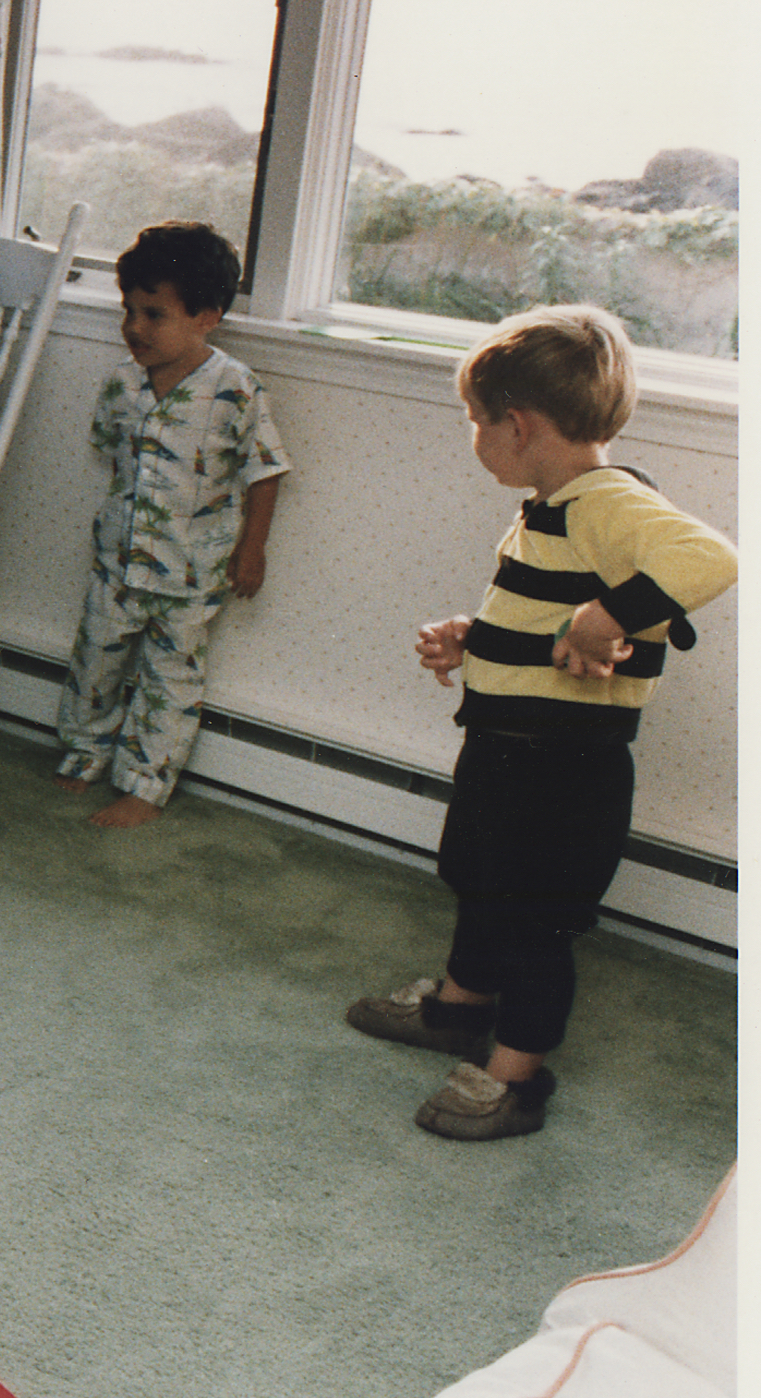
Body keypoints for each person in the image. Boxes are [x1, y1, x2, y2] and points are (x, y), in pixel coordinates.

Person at [346, 307, 734, 1141]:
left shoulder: (606, 501)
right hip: (506, 749)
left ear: (516, 425)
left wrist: (610, 617)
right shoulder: (552, 501)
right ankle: (459, 1005)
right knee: (479, 882)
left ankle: (515, 1077)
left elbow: (714, 558)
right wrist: (474, 636)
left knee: (533, 917)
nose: (474, 436)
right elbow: (543, 615)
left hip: (565, 769)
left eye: (476, 421)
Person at [54, 222, 289, 827]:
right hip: (118, 559)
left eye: (154, 314)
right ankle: (85, 754)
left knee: (170, 680)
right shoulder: (121, 383)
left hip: (194, 570)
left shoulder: (235, 388)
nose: (134, 327)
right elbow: (111, 454)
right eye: (128, 310)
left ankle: (144, 786)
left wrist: (252, 549)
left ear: (206, 316)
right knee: (96, 662)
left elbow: (265, 471)